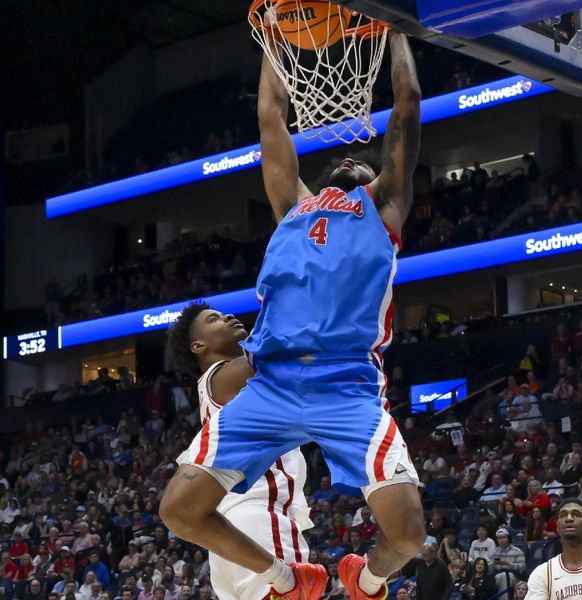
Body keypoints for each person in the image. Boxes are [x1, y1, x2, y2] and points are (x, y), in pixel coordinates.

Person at [160, 27, 425, 600]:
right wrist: (275, 36)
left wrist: (399, 29)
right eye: (345, 159)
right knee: (178, 510)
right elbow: (270, 119)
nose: (354, 158)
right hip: (273, 382)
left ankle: (366, 577)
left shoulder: (385, 208)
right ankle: (286, 581)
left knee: (408, 534)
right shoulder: (292, 211)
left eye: (364, 159)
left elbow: (406, 104)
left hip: (346, 383)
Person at [166, 304, 314, 600]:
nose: (228, 317)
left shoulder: (221, 387)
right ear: (199, 345)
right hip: (258, 519)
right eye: (214, 319)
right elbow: (287, 352)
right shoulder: (222, 377)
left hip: (227, 538)